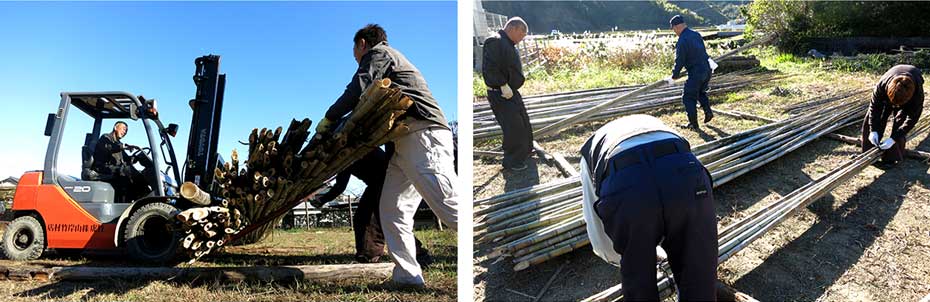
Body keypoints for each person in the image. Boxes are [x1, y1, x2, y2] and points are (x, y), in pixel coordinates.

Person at [317, 24, 458, 287]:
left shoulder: (380, 54)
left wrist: (330, 117)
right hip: (401, 145)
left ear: (361, 43)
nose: (355, 55)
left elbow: (358, 88)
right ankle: (407, 277)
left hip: (421, 134)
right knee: (392, 211)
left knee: (448, 204)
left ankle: (497, 237)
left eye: (354, 49)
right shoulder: (387, 60)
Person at [580, 115, 717, 300]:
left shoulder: (591, 152)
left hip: (627, 187)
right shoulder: (657, 125)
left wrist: (629, 251)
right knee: (698, 274)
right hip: (685, 173)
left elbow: (596, 224)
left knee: (639, 280)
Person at [314, 148, 432, 266]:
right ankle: (368, 254)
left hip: (388, 180)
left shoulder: (355, 149)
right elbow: (340, 186)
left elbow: (340, 186)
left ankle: (417, 255)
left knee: (381, 220)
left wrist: (322, 200)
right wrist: (321, 199)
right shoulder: (344, 159)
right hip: (375, 184)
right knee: (364, 218)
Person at [482, 17, 533, 171]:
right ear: (513, 28)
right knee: (513, 127)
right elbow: (490, 68)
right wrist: (502, 85)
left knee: (523, 123)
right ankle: (512, 161)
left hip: (511, 92)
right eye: (521, 34)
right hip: (501, 93)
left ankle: (524, 153)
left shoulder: (508, 44)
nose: (521, 38)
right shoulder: (495, 41)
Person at [862, 64, 924, 164]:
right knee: (876, 116)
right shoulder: (882, 85)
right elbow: (874, 108)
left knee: (901, 120)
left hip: (913, 81)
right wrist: (873, 130)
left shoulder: (917, 95)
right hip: (889, 87)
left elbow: (912, 119)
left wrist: (893, 139)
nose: (895, 106)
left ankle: (892, 157)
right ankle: (869, 151)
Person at [667, 15, 714, 130]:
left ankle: (693, 124)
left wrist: (674, 75)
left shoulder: (682, 40)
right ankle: (708, 112)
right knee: (701, 92)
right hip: (707, 69)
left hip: (696, 72)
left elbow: (680, 60)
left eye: (673, 29)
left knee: (688, 97)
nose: (674, 32)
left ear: (677, 27)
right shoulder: (696, 34)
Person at [92, 121, 153, 202]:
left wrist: (136, 158)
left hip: (115, 168)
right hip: (103, 168)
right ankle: (144, 197)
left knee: (134, 173)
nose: (124, 132)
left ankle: (145, 194)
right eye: (123, 129)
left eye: (126, 131)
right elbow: (109, 147)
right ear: (115, 127)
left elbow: (126, 159)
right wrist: (124, 146)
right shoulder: (106, 138)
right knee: (128, 170)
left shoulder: (118, 143)